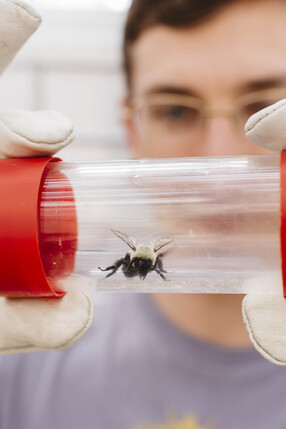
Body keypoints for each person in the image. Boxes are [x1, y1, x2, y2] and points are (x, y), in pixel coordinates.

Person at [1, 0, 286, 428]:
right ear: (132, 128)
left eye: (264, 104)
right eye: (174, 110)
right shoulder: (22, 360)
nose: (218, 164)